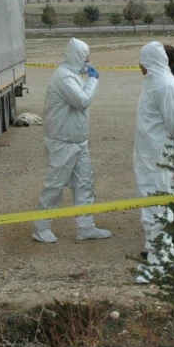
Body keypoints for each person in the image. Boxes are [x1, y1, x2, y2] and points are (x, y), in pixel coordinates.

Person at [31, 38, 112, 243]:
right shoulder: (63, 77)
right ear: (78, 57)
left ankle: (86, 227)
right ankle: (40, 227)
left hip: (77, 141)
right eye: (86, 57)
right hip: (62, 142)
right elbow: (82, 101)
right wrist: (93, 81)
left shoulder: (73, 75)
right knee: (55, 185)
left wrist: (87, 80)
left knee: (84, 183)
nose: (89, 61)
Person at [133, 42, 174, 283]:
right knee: (151, 209)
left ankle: (161, 265)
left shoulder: (166, 85)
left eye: (142, 61)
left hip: (160, 159)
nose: (139, 66)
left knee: (159, 210)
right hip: (148, 158)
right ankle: (159, 257)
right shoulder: (152, 83)